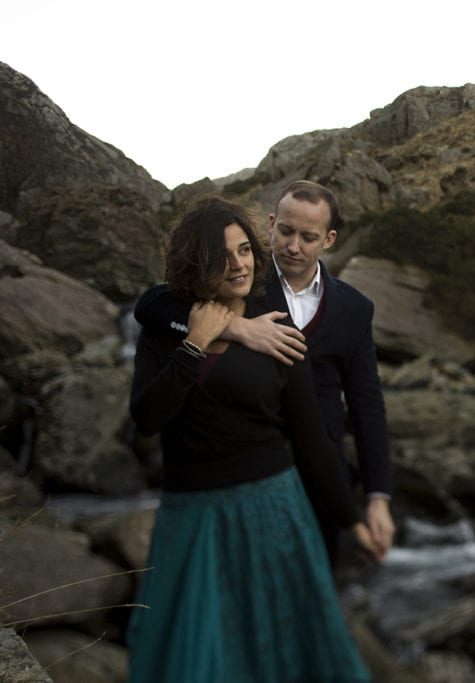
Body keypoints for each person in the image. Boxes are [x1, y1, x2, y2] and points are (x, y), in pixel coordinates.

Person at [128, 197, 374, 682]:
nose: (238, 264)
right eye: (222, 256)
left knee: (282, 652)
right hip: (193, 519)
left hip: (272, 512)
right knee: (195, 658)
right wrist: (197, 344)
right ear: (195, 262)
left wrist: (352, 517)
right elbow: (147, 418)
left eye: (244, 250)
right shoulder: (165, 327)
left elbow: (312, 441)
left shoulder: (277, 326)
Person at [134, 180, 394, 566]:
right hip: (243, 470)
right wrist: (234, 326)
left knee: (309, 590)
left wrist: (377, 496)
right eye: (286, 231)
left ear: (329, 239)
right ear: (271, 224)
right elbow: (152, 304)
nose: (293, 246)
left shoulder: (355, 308)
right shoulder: (238, 277)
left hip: (322, 473)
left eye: (308, 237)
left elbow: (367, 404)